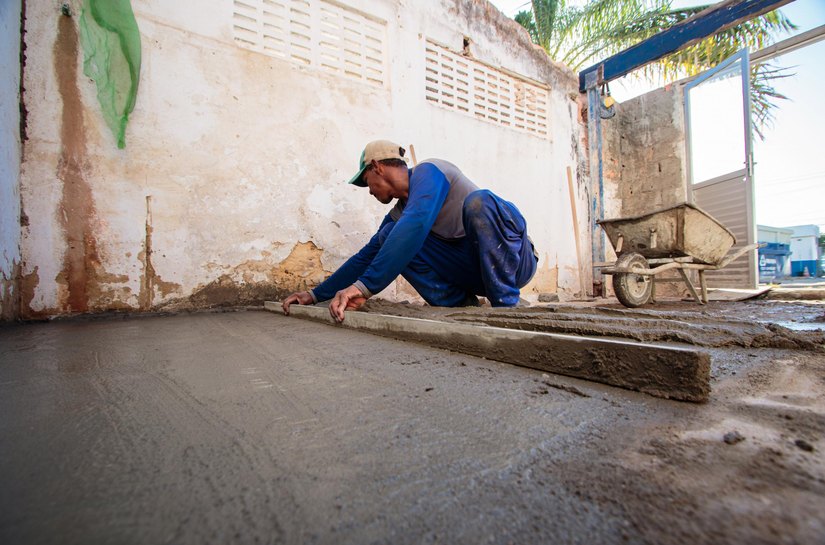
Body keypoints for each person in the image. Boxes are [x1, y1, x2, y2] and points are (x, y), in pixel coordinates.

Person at [282, 140, 538, 322]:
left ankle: (506, 304)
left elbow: (416, 222)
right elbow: (367, 256)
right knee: (388, 237)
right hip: (474, 273)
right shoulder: (399, 213)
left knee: (480, 202)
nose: (369, 191)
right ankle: (460, 305)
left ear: (377, 167)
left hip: (515, 263)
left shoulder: (430, 172)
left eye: (367, 182)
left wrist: (365, 287)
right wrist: (315, 295)